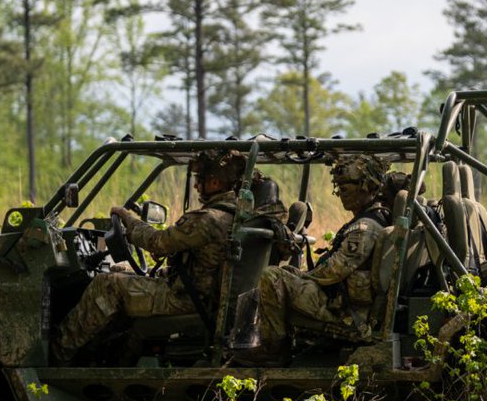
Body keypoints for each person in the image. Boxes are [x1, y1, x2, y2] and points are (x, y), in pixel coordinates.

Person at [53, 149, 246, 365]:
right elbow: (201, 266)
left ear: (215, 182)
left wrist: (128, 219)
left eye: (200, 180)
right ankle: (102, 355)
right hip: (201, 296)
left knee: (107, 284)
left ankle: (56, 356)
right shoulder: (235, 216)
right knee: (120, 272)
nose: (196, 186)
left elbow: (157, 241)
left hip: (185, 300)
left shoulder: (209, 219)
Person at [229, 155, 391, 367]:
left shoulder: (365, 228)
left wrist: (304, 278)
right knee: (286, 273)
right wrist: (299, 276)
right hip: (341, 302)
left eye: (347, 187)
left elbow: (335, 270)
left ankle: (274, 348)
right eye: (339, 188)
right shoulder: (372, 219)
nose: (341, 193)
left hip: (347, 314)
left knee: (272, 276)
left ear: (367, 187)